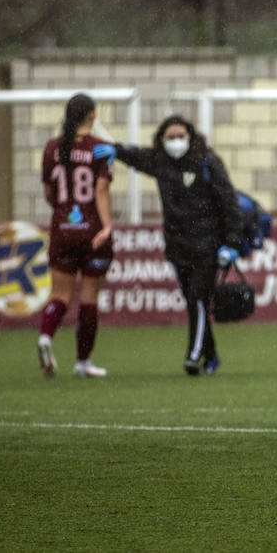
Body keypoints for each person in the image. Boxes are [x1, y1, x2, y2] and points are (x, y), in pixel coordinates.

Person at [93, 116, 242, 376]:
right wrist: (116, 150)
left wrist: (231, 243)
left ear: (191, 137)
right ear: (162, 140)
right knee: (192, 302)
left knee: (198, 297)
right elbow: (138, 157)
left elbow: (229, 202)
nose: (176, 142)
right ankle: (212, 355)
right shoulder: (161, 163)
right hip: (177, 246)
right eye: (170, 137)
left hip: (207, 245)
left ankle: (193, 356)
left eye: (180, 136)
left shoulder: (207, 162)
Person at [36, 93, 113, 379]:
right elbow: (101, 190)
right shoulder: (100, 149)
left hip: (62, 231)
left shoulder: (52, 148)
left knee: (60, 294)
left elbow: (48, 193)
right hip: (92, 231)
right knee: (89, 297)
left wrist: (64, 213)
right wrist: (106, 227)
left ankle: (46, 336)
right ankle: (82, 362)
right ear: (92, 115)